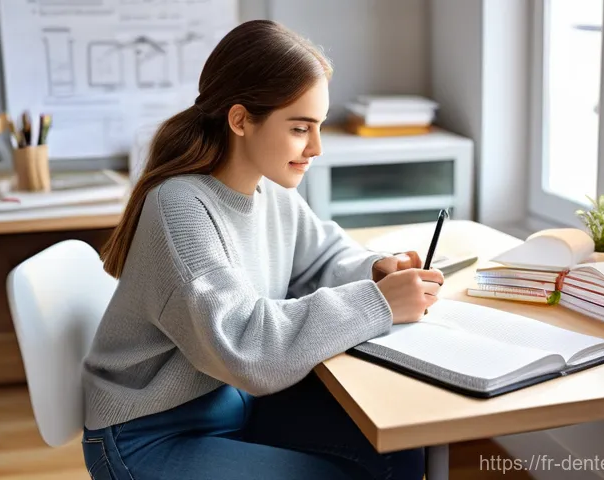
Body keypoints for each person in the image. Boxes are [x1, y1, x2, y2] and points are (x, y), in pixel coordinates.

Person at [81, 19, 444, 480]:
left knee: (399, 449)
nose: (315, 148)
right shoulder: (180, 209)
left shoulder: (269, 190)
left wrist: (375, 271)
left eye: (318, 127)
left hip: (229, 402)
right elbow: (247, 348)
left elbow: (322, 259)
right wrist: (377, 303)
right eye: (299, 128)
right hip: (148, 433)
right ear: (240, 120)